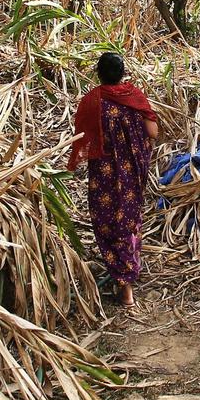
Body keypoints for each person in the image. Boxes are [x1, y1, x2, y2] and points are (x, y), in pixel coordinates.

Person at [67, 52, 159, 307]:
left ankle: (123, 282)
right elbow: (153, 132)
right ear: (122, 72)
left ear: (99, 73)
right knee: (128, 221)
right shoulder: (134, 97)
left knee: (106, 220)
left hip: (105, 176)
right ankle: (126, 277)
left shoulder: (92, 101)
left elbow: (83, 139)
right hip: (131, 173)